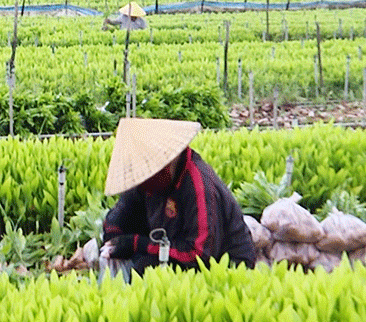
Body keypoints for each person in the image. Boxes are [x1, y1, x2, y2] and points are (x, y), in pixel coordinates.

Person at [100, 117, 256, 273]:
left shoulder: (200, 186)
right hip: (173, 249)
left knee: (144, 267)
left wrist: (138, 244)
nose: (144, 183)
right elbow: (123, 211)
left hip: (223, 266)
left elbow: (198, 254)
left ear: (168, 161)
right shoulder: (149, 180)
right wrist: (114, 235)